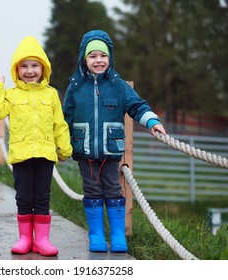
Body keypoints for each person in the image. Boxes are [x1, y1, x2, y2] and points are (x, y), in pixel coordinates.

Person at [62, 30, 166, 253]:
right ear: (84, 59)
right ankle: (96, 234)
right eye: (93, 56)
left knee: (112, 188)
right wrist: (61, 144)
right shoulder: (76, 87)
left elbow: (137, 105)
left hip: (111, 151)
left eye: (103, 55)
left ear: (110, 57)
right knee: (91, 190)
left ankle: (118, 235)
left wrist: (151, 121)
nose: (98, 60)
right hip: (85, 150)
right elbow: (65, 119)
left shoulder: (119, 86)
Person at [0, 36, 72, 256]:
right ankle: (25, 238)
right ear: (17, 70)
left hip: (45, 154)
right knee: (24, 196)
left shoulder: (51, 94)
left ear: (43, 68)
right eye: (24, 66)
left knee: (42, 196)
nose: (29, 70)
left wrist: (64, 148)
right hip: (21, 154)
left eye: (35, 65)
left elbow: (59, 124)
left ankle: (42, 240)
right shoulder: (11, 95)